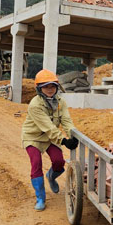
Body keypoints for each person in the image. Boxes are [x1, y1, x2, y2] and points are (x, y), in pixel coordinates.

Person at [21, 69, 79, 211]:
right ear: (39, 88)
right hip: (33, 137)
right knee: (36, 163)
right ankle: (40, 198)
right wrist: (64, 141)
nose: (49, 89)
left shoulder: (61, 102)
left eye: (52, 86)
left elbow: (66, 120)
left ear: (57, 87)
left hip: (49, 137)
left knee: (59, 161)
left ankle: (51, 177)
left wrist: (73, 134)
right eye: (46, 86)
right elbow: (47, 127)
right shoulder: (35, 105)